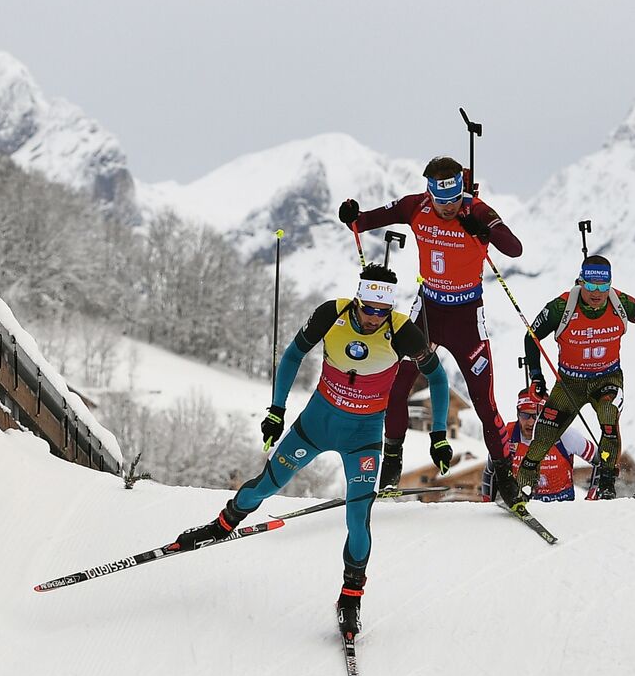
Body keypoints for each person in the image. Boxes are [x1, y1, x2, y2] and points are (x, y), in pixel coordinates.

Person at [173, 265, 453, 639]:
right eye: (368, 308)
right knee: (265, 486)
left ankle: (350, 598)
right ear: (357, 299)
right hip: (316, 425)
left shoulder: (402, 331)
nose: (372, 318)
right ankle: (221, 525)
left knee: (358, 518)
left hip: (364, 437)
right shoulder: (332, 313)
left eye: (380, 312)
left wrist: (438, 434)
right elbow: (292, 356)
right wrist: (276, 410)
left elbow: (437, 376)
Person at [338, 156, 522, 500]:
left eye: (455, 199)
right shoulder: (415, 207)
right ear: (430, 192)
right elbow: (363, 221)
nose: (449, 207)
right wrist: (351, 214)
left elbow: (514, 248)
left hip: (467, 317)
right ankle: (391, 464)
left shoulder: (475, 210)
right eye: (442, 201)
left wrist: (488, 228)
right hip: (428, 312)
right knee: (397, 384)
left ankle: (505, 476)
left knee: (484, 402)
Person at [515, 255, 635, 502]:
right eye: (591, 285)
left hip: (606, 379)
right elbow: (531, 337)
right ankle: (523, 487)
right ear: (581, 282)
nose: (597, 293)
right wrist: (537, 377)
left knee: (608, 416)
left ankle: (607, 483)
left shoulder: (620, 303)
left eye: (603, 286)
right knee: (544, 435)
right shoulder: (561, 307)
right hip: (570, 383)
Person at [482, 387, 599, 503]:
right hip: (525, 511)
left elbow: (600, 463)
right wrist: (488, 505)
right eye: (525, 415)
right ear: (517, 414)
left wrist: (591, 498)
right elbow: (490, 472)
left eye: (536, 416)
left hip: (561, 510)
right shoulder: (506, 436)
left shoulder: (565, 434)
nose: (531, 422)